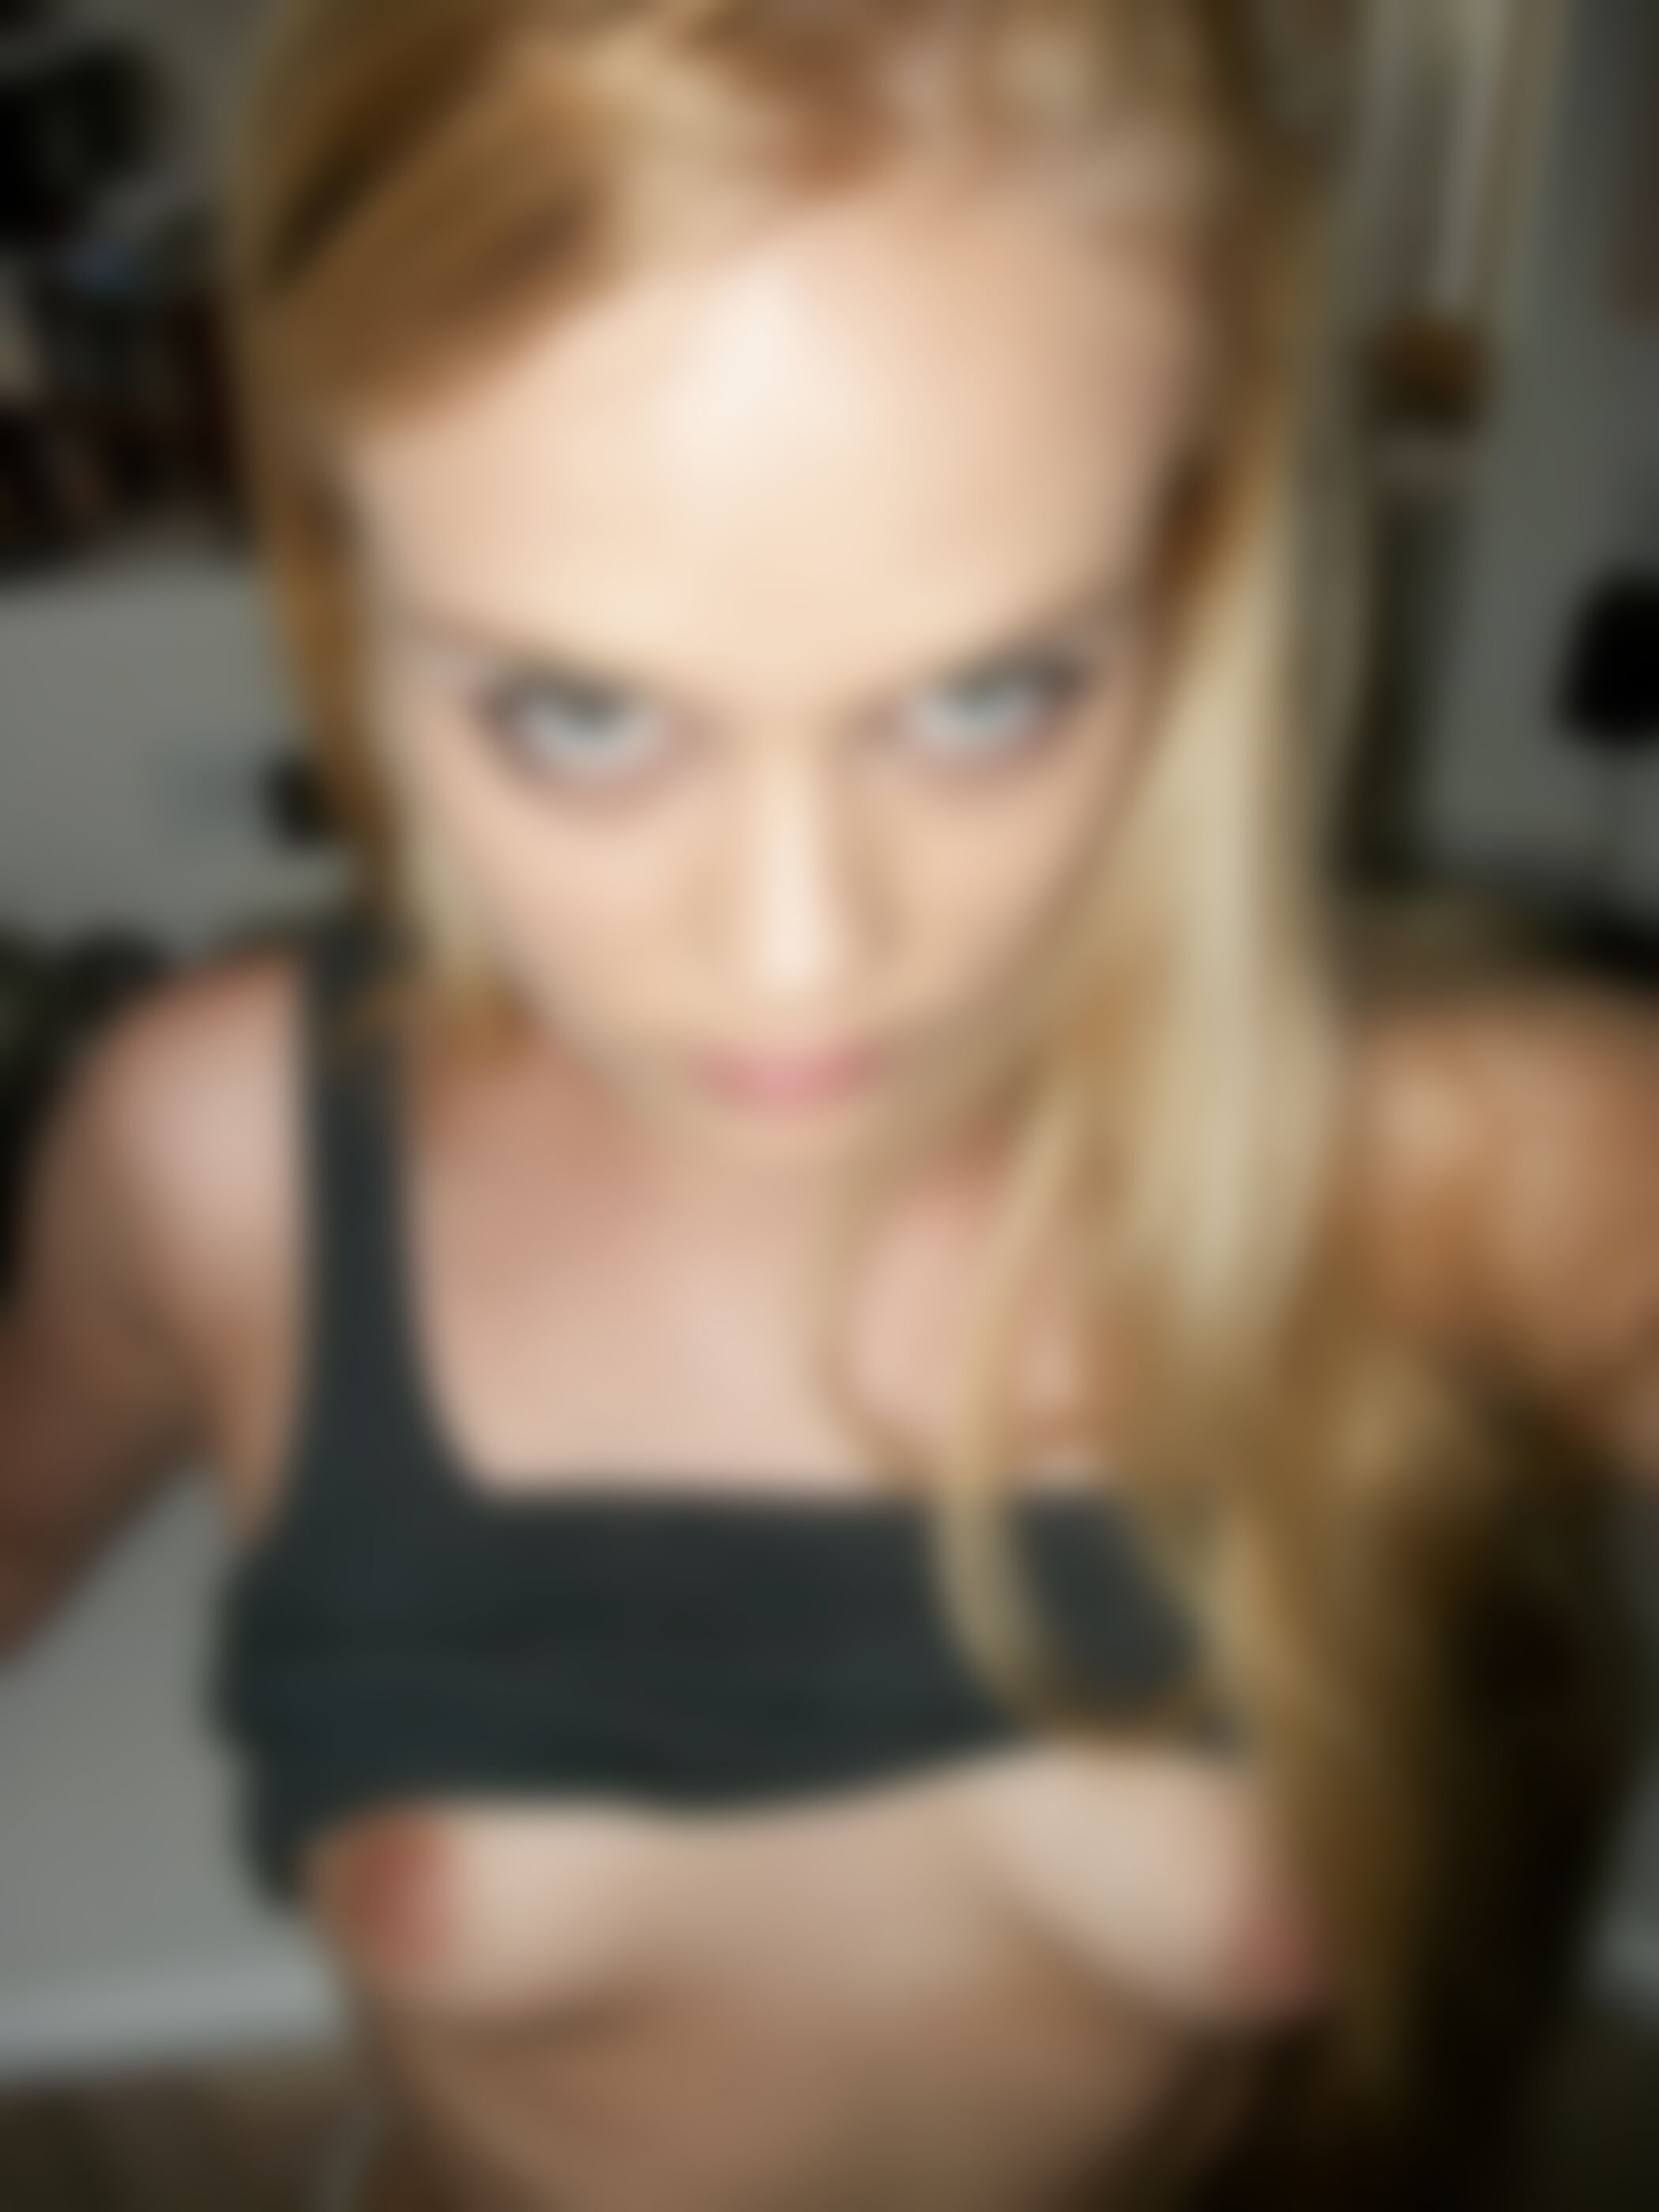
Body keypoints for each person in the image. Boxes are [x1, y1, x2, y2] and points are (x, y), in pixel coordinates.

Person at [2, 4, 1655, 2207]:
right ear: (344, 572)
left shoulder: (1468, 1161)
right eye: (580, 714)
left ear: (1197, 557)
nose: (796, 959)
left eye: (984, 696)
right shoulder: (228, 1163)